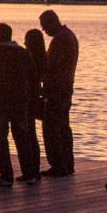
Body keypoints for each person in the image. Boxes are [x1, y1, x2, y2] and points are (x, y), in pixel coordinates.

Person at [0, 23, 41, 187]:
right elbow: (34, 76)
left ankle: (6, 175)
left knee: (0, 140)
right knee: (22, 137)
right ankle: (29, 173)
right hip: (20, 102)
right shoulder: (23, 53)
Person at [38, 9, 78, 176]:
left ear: (51, 23)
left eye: (45, 27)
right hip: (65, 87)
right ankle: (67, 164)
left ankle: (58, 165)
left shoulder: (60, 40)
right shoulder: (69, 36)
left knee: (51, 128)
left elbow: (51, 64)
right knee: (63, 127)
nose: (45, 31)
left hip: (57, 89)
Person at [23, 27, 47, 158]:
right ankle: (35, 165)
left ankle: (31, 166)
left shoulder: (28, 58)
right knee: (32, 133)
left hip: (27, 98)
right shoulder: (44, 58)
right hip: (36, 96)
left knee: (28, 133)